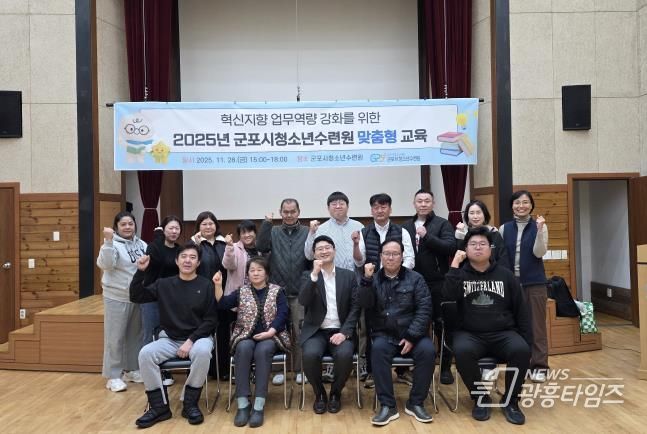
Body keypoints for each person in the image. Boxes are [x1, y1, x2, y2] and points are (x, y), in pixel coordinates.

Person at [443, 227, 532, 425]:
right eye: (473, 244)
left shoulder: (506, 275)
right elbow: (447, 297)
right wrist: (455, 265)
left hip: (503, 333)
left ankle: (511, 401)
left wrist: (528, 341)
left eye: (483, 244)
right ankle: (480, 397)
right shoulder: (460, 274)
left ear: (491, 249)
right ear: (466, 249)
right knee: (462, 351)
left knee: (521, 349)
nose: (478, 248)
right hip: (469, 333)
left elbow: (521, 311)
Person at [130, 242, 218, 428]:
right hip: (170, 339)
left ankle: (189, 403)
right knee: (145, 354)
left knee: (203, 352)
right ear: (177, 261)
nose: (187, 260)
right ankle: (159, 407)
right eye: (183, 257)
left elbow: (211, 320)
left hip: (198, 338)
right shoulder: (163, 284)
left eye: (192, 257)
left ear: (198, 263)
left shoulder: (206, 285)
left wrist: (191, 341)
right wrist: (140, 272)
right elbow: (137, 296)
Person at [359, 240, 435, 426]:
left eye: (395, 254)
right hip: (384, 334)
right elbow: (364, 304)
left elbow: (425, 309)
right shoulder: (373, 279)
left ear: (402, 257)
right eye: (387, 253)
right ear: (381, 256)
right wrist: (367, 280)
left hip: (413, 335)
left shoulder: (416, 278)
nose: (391, 257)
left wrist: (411, 336)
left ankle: (416, 402)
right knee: (377, 350)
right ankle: (387, 405)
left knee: (428, 351)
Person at [214, 257, 291, 429]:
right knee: (243, 348)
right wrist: (218, 285)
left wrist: (271, 331)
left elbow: (283, 314)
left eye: (259, 270)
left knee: (263, 351)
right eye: (252, 270)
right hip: (245, 336)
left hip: (271, 336)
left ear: (266, 273)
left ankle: (258, 405)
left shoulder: (277, 291)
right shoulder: (241, 291)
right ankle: (242, 404)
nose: (255, 273)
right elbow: (223, 304)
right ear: (247, 274)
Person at [357, 193, 415, 387]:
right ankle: (372, 372)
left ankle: (402, 371)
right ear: (371, 210)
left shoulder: (402, 231)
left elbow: (410, 258)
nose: (379, 210)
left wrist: (395, 272)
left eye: (383, 207)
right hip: (373, 286)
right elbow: (359, 261)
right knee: (371, 328)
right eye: (376, 207)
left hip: (400, 285)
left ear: (390, 209)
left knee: (401, 324)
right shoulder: (364, 232)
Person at [299, 235, 360, 414]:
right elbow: (303, 300)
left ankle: (335, 393)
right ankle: (319, 394)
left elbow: (356, 307)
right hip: (316, 331)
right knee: (310, 355)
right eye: (320, 249)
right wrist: (314, 275)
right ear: (314, 254)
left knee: (345, 354)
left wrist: (345, 332)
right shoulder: (308, 276)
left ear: (334, 250)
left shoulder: (348, 276)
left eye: (327, 247)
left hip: (340, 330)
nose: (324, 251)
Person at [403, 189, 456, 384]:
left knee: (442, 325)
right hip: (411, 283)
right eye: (420, 201)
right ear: (414, 204)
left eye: (427, 201)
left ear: (433, 204)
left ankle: (445, 367)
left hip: (437, 282)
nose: (423, 204)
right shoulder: (405, 226)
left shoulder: (442, 224)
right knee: (414, 324)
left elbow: (450, 248)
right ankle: (414, 366)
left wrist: (427, 237)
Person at [256, 198, 310, 385]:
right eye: (285, 212)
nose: (289, 215)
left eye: (292, 211)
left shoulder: (307, 232)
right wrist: (266, 224)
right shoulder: (273, 231)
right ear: (280, 213)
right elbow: (261, 247)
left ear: (298, 212)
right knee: (277, 331)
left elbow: (312, 257)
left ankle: (300, 369)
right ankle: (279, 369)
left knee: (300, 331)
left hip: (300, 292)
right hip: (277, 292)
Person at [500, 190, 549, 383]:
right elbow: (500, 256)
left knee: (537, 327)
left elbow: (539, 252)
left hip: (534, 283)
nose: (521, 206)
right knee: (514, 326)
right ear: (512, 206)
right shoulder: (504, 228)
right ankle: (520, 364)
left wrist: (539, 230)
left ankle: (540, 366)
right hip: (511, 284)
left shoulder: (540, 226)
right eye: (517, 202)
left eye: (525, 202)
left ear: (531, 205)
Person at [96, 211, 147, 392]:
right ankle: (113, 376)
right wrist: (108, 242)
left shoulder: (142, 244)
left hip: (136, 297)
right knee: (114, 337)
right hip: (116, 297)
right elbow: (106, 265)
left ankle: (131, 370)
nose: (127, 227)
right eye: (123, 224)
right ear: (116, 227)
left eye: (130, 224)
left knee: (135, 336)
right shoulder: (111, 244)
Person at [140, 215, 183, 386]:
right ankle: (149, 373)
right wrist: (158, 237)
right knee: (150, 333)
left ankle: (165, 372)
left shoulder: (179, 249)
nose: (174, 231)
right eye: (170, 228)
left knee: (165, 335)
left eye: (177, 228)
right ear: (163, 229)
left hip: (171, 299)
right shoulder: (154, 247)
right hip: (152, 296)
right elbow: (159, 261)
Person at [220, 220, 261, 385]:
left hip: (258, 299)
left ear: (255, 233)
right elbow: (228, 264)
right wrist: (229, 247)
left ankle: (256, 370)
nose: (247, 235)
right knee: (237, 337)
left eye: (250, 231)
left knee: (255, 335)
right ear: (239, 235)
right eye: (243, 232)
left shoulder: (261, 249)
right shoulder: (235, 248)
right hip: (237, 300)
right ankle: (239, 372)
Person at [191, 211, 228, 379]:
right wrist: (196, 246)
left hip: (222, 294)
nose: (208, 226)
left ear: (216, 225)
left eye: (211, 223)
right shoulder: (193, 244)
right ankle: (202, 371)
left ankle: (223, 370)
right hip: (200, 295)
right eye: (204, 224)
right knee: (203, 331)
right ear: (198, 226)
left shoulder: (224, 243)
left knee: (223, 332)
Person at [304, 191, 364, 271]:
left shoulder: (359, 226)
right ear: (328, 208)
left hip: (356, 274)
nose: (338, 206)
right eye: (334, 204)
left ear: (348, 206)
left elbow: (363, 256)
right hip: (332, 275)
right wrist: (312, 233)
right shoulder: (321, 229)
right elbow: (309, 256)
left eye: (341, 204)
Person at [455, 200, 510, 270]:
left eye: (478, 213)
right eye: (471, 213)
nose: (475, 216)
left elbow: (503, 259)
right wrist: (461, 236)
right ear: (467, 216)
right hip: (469, 275)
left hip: (493, 274)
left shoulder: (494, 234)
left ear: (484, 214)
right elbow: (459, 261)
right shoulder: (463, 234)